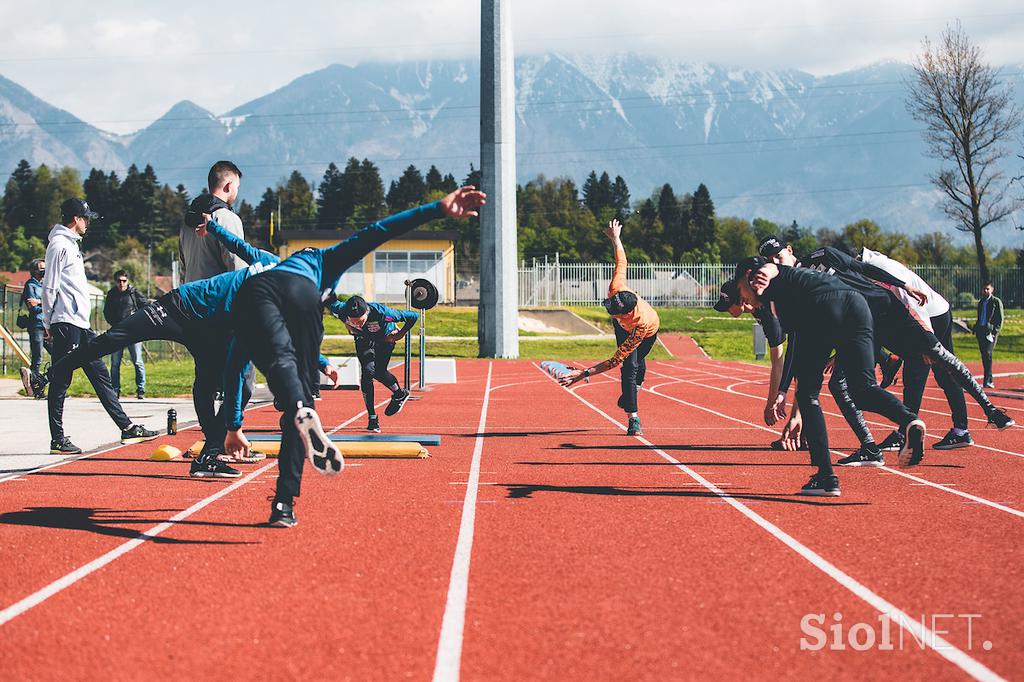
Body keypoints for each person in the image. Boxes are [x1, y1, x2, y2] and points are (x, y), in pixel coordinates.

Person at [222, 186, 487, 528]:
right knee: (298, 405)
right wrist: (437, 208)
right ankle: (284, 504)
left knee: (275, 364)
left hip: (250, 297)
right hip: (300, 295)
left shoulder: (272, 265)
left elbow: (234, 364)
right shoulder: (325, 262)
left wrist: (233, 426)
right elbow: (377, 232)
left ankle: (296, 409)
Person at [758, 236, 1013, 464]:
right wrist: (784, 388)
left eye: (779, 257)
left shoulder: (824, 256)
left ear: (790, 250)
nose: (777, 263)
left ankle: (989, 410)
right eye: (771, 262)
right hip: (861, 325)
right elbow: (800, 341)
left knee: (937, 355)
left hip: (889, 309)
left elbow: (863, 269)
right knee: (840, 384)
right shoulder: (794, 293)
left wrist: (905, 287)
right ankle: (872, 446)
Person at [736, 257, 925, 496]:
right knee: (863, 390)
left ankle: (826, 476)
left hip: (823, 307)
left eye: (742, 291)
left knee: (807, 394)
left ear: (750, 277)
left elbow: (772, 270)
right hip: (857, 304)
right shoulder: (791, 285)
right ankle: (909, 421)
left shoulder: (772, 283)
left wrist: (764, 273)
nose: (744, 301)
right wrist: (786, 394)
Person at [41, 198, 158, 454]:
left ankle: (126, 427)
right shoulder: (59, 245)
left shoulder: (71, 245)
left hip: (80, 324)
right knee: (61, 380)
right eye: (86, 218)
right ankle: (57, 439)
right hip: (65, 322)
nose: (88, 223)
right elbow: (49, 286)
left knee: (100, 375)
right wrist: (47, 321)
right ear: (75, 219)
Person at [859, 248, 976, 450]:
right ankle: (961, 430)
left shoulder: (877, 270)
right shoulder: (875, 265)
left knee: (916, 374)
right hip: (938, 310)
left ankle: (906, 432)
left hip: (931, 317)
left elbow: (912, 301)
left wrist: (927, 341)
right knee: (945, 374)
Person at [558, 219, 661, 436]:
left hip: (647, 333)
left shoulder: (640, 324)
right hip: (624, 328)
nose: (609, 312)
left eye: (613, 311)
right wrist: (616, 238)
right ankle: (634, 419)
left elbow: (613, 361)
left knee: (635, 365)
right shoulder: (617, 288)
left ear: (625, 313)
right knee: (629, 368)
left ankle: (631, 393)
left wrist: (583, 373)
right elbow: (621, 261)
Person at [333, 296, 418, 432]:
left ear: (366, 312)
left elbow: (413, 316)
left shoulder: (383, 313)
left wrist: (399, 335)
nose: (358, 324)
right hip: (363, 338)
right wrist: (350, 326)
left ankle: (399, 394)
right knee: (367, 372)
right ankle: (372, 417)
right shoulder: (341, 309)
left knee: (379, 372)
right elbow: (328, 299)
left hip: (385, 338)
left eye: (360, 321)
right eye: (354, 322)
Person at [179, 161, 247, 281]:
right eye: (237, 187)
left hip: (190, 297)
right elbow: (237, 269)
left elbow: (183, 270)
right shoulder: (226, 219)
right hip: (218, 298)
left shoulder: (187, 222)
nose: (236, 192)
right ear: (229, 186)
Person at [103, 270, 148, 399]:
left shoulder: (134, 293)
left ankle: (141, 390)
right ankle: (115, 390)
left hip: (134, 332)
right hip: (117, 332)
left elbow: (145, 306)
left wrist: (137, 321)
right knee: (115, 363)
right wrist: (115, 324)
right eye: (119, 281)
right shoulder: (112, 294)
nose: (121, 283)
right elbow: (107, 312)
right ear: (115, 281)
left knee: (138, 362)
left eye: (124, 281)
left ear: (127, 281)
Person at [19, 259, 48, 399]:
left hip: (47, 325)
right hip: (36, 325)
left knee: (57, 355)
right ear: (34, 271)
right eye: (41, 269)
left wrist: (41, 302)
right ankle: (37, 388)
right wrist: (46, 303)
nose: (44, 271)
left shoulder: (44, 285)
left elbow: (45, 303)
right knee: (38, 358)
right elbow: (33, 307)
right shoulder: (31, 285)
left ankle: (43, 382)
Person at [974, 282, 1003, 388]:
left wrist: (995, 331)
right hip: (981, 331)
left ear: (992, 290)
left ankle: (989, 380)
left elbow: (1000, 319)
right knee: (984, 355)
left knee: (988, 354)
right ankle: (987, 379)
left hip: (990, 333)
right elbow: (979, 317)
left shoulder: (996, 302)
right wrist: (976, 327)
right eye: (984, 289)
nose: (985, 291)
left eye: (987, 289)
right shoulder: (981, 302)